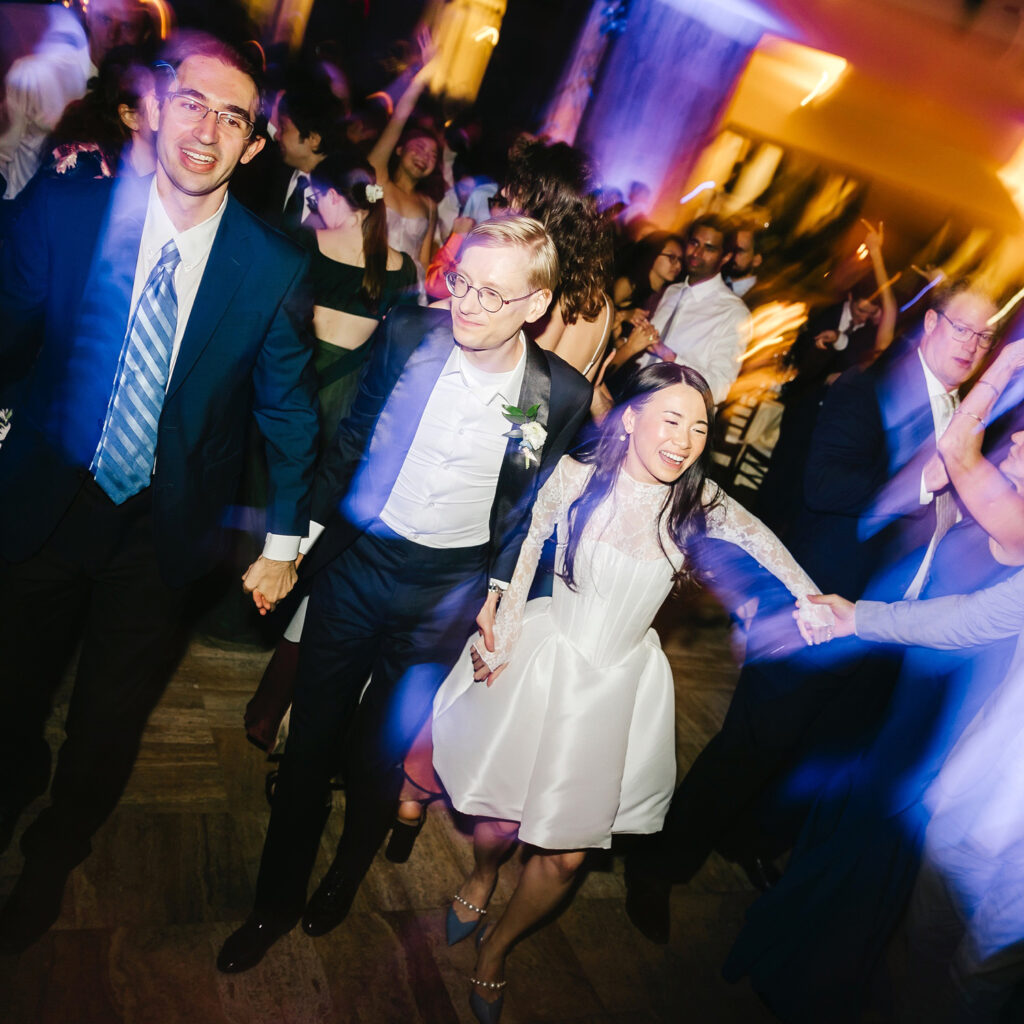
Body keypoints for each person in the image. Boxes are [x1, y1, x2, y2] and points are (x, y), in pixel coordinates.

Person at [0, 35, 319, 953]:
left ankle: (55, 852)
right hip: (45, 505)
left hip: (163, 531)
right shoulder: (64, 210)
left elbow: (290, 415)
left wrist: (284, 542)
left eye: (233, 118)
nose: (208, 130)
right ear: (152, 106)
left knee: (106, 719)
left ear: (253, 147)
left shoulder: (273, 265)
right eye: (193, 103)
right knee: (12, 688)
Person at [217, 216, 593, 974]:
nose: (468, 304)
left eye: (494, 293)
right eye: (462, 281)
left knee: (378, 756)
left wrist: (499, 590)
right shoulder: (407, 336)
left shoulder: (558, 393)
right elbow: (350, 442)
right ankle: (274, 903)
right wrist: (297, 549)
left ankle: (344, 879)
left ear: (536, 305)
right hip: (358, 567)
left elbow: (529, 509)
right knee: (309, 743)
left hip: (445, 596)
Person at [429, 362, 832, 1022]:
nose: (686, 439)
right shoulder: (579, 477)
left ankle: (499, 947)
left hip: (617, 683)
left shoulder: (698, 504)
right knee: (500, 819)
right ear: (632, 417)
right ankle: (480, 874)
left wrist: (811, 596)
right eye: (672, 419)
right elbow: (529, 535)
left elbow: (764, 539)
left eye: (700, 426)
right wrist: (501, 617)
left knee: (566, 859)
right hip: (548, 653)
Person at [623, 279, 997, 943]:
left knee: (819, 748)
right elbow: (826, 489)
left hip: (888, 626)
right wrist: (924, 479)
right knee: (753, 741)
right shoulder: (864, 390)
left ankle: (750, 839)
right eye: (963, 328)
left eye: (984, 335)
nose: (973, 344)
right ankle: (658, 864)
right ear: (932, 325)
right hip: (817, 606)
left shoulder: (961, 413)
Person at [722, 337, 1024, 1023]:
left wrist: (1008, 358)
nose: (1015, 442)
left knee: (867, 851)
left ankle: (804, 979)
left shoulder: (1020, 523)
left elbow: (957, 452)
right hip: (908, 685)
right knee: (847, 831)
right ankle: (793, 960)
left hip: (938, 716)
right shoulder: (1002, 504)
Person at [243, 148, 418, 752]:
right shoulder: (308, 246)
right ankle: (253, 598)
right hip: (308, 391)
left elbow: (397, 358)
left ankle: (271, 595)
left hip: (332, 403)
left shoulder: (391, 268)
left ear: (357, 202)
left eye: (327, 194)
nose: (316, 200)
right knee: (273, 499)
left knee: (306, 506)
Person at [794, 569, 1024, 1022]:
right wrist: (858, 618)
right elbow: (971, 616)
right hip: (974, 796)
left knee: (980, 980)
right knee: (927, 939)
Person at [611, 216, 751, 405]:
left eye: (709, 248)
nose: (697, 253)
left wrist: (670, 356)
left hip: (672, 412)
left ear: (725, 257)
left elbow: (720, 389)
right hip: (630, 399)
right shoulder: (671, 290)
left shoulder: (734, 313)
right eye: (694, 243)